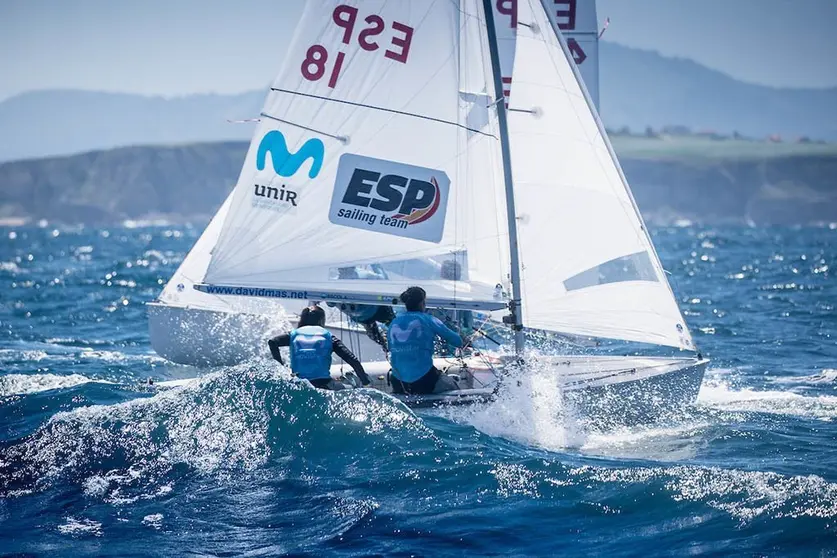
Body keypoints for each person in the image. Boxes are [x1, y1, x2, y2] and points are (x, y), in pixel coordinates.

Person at [268, 305, 370, 390]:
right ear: (322, 320)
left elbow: (272, 342)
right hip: (324, 384)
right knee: (352, 388)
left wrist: (281, 367)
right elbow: (353, 360)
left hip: (299, 383)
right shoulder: (329, 337)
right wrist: (365, 382)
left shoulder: (293, 335)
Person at [387, 286, 465, 395]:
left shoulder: (393, 323)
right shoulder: (429, 319)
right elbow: (458, 341)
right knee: (454, 388)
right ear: (422, 303)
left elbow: (390, 348)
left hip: (397, 381)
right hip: (424, 380)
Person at [329, 266, 395, 350]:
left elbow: (330, 303)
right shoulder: (366, 275)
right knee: (392, 324)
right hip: (378, 311)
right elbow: (385, 281)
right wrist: (376, 265)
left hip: (362, 318)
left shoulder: (333, 285)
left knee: (377, 337)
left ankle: (386, 346)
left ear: (339, 270)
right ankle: (392, 341)